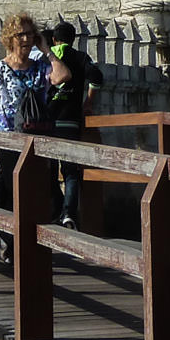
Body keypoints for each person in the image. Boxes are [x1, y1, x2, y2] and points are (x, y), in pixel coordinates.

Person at [0, 13, 68, 263]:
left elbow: (62, 76)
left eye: (29, 34)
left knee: (33, 189)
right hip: (7, 139)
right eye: (20, 35)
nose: (25, 39)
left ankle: (22, 240)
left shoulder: (39, 67)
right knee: (13, 188)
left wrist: (45, 49)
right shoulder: (0, 69)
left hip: (36, 138)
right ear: (10, 39)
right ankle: (10, 240)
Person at [45, 20, 102, 229]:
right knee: (70, 171)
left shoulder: (48, 56)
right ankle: (69, 213)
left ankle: (54, 210)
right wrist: (88, 101)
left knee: (48, 168)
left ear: (53, 39)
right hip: (70, 121)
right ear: (73, 39)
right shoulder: (80, 57)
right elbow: (96, 77)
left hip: (47, 122)